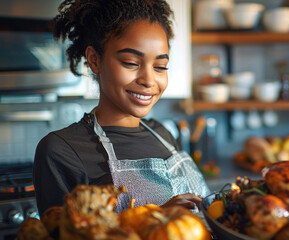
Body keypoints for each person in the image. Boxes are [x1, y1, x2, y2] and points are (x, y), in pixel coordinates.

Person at [33, 0, 210, 215]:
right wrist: (154, 218)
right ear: (94, 60)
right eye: (131, 63)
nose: (149, 80)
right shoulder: (61, 151)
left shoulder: (163, 134)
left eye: (160, 67)